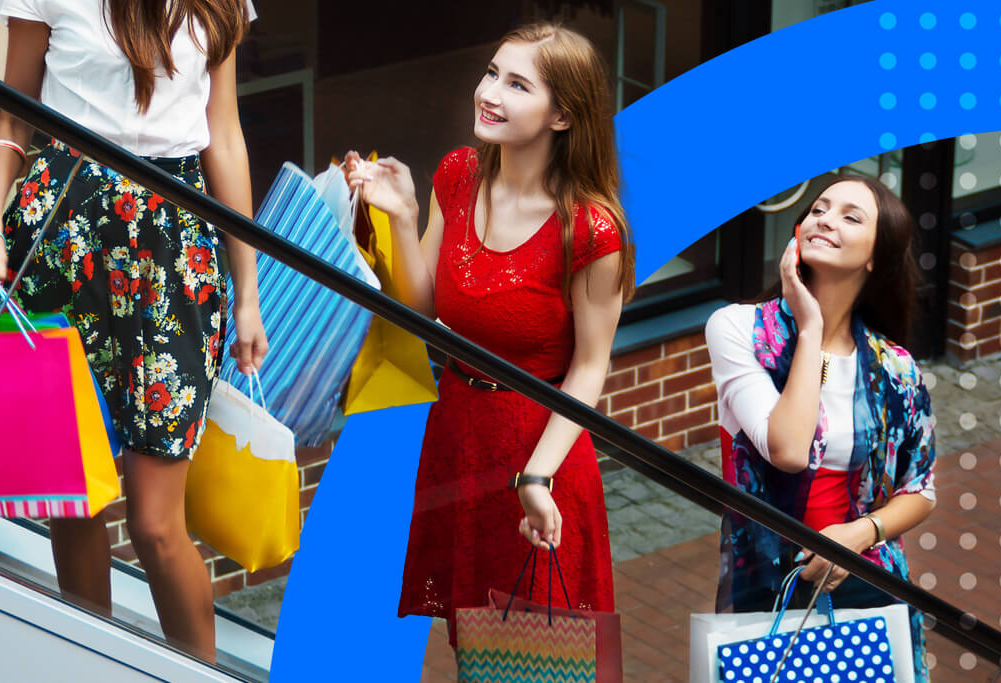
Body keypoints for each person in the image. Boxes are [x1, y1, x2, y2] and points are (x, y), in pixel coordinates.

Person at [0, 0, 267, 662]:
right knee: (74, 499)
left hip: (171, 257)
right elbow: (13, 114)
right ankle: (88, 665)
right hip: (58, 238)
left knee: (155, 523)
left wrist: (248, 291)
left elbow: (225, 136)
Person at [343, 23, 636, 648]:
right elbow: (424, 316)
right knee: (476, 645)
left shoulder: (591, 230)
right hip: (459, 435)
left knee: (538, 651)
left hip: (540, 452)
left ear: (562, 115)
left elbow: (590, 368)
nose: (490, 93)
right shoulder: (457, 174)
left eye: (517, 84)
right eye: (491, 73)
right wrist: (402, 216)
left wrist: (537, 477)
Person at [705, 177, 937, 680]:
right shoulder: (739, 329)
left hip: (863, 577)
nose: (826, 219)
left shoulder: (894, 367)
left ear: (877, 257)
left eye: (851, 217)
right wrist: (811, 329)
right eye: (819, 208)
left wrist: (858, 535)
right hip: (767, 584)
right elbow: (786, 448)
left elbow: (919, 490)